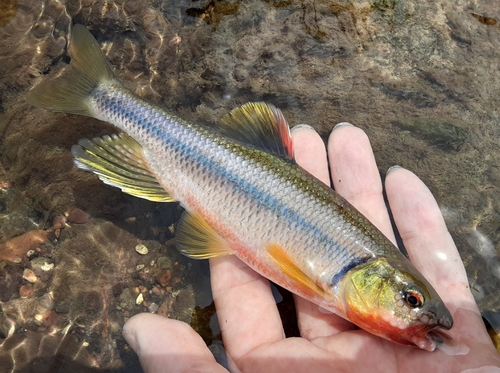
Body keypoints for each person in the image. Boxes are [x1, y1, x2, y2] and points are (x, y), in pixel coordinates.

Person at [122, 123, 500, 372]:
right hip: (223, 167)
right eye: (411, 301)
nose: (418, 314)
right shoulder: (332, 284)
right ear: (373, 274)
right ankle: (106, 101)